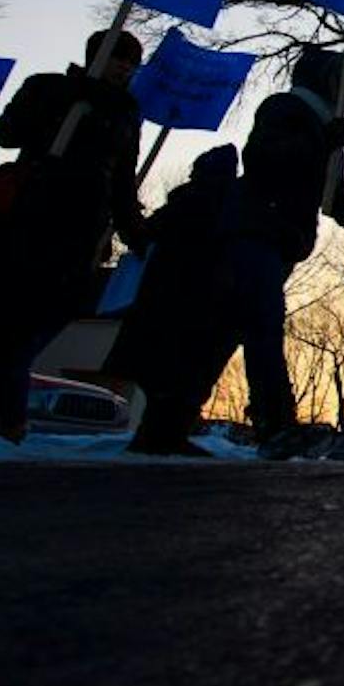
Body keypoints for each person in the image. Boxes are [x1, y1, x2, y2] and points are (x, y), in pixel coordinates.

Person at [0, 29, 148, 441]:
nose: (124, 68)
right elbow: (5, 134)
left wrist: (135, 232)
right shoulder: (51, 87)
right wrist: (61, 108)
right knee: (9, 325)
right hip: (30, 218)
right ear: (95, 56)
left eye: (131, 63)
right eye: (118, 58)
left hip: (82, 229)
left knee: (29, 328)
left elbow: (123, 178)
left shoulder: (127, 111)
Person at [226, 49, 344, 459]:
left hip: (283, 241)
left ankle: (173, 419)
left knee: (240, 326)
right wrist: (323, 142)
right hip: (253, 232)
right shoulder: (287, 109)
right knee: (262, 325)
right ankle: (276, 422)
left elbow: (333, 197)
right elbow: (264, 159)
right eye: (343, 81)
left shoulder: (326, 129)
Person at [101, 143, 240, 457]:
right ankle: (162, 435)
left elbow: (142, 235)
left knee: (163, 375)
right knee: (180, 374)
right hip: (197, 303)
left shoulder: (184, 202)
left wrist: (131, 221)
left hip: (165, 302)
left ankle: (156, 434)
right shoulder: (228, 207)